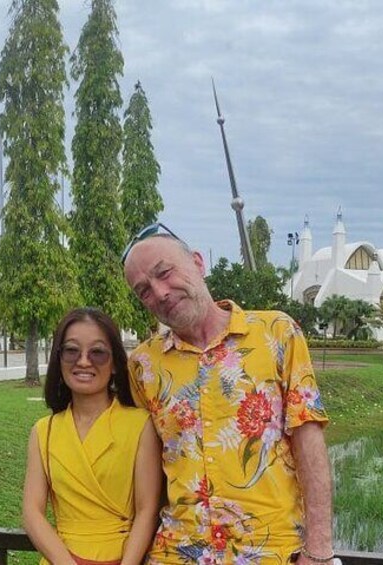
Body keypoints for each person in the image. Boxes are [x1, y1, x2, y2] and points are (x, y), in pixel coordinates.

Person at [122, 224, 335, 564]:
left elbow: (309, 442)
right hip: (178, 553)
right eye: (143, 290)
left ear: (197, 262)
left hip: (271, 552)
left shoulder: (277, 334)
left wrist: (320, 551)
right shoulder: (142, 365)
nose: (160, 292)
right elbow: (142, 470)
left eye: (164, 272)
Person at [22, 307, 161, 565]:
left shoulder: (140, 425)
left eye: (97, 352)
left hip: (123, 556)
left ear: (116, 364)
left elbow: (147, 510)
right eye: (72, 351)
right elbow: (32, 512)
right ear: (59, 358)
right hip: (61, 558)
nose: (83, 361)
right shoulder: (44, 431)